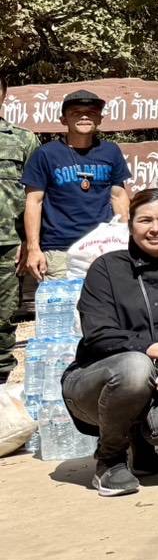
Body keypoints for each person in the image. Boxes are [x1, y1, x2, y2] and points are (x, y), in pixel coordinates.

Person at [61, 188, 158, 497]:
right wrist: (156, 348)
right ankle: (110, 460)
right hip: (95, 384)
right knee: (135, 365)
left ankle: (140, 443)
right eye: (145, 220)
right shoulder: (106, 268)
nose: (156, 228)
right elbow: (98, 333)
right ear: (130, 225)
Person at [21, 89, 130, 281]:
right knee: (62, 302)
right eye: (76, 112)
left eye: (91, 112)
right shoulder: (46, 154)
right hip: (60, 251)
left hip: (104, 246)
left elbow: (118, 197)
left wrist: (125, 240)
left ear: (100, 119)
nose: (84, 116)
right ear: (64, 120)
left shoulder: (111, 151)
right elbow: (34, 202)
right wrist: (33, 248)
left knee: (107, 300)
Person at [0, 73, 39, 383]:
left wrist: (30, 242)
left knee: (3, 317)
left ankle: (0, 381)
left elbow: (36, 196)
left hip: (9, 244)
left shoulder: (24, 139)